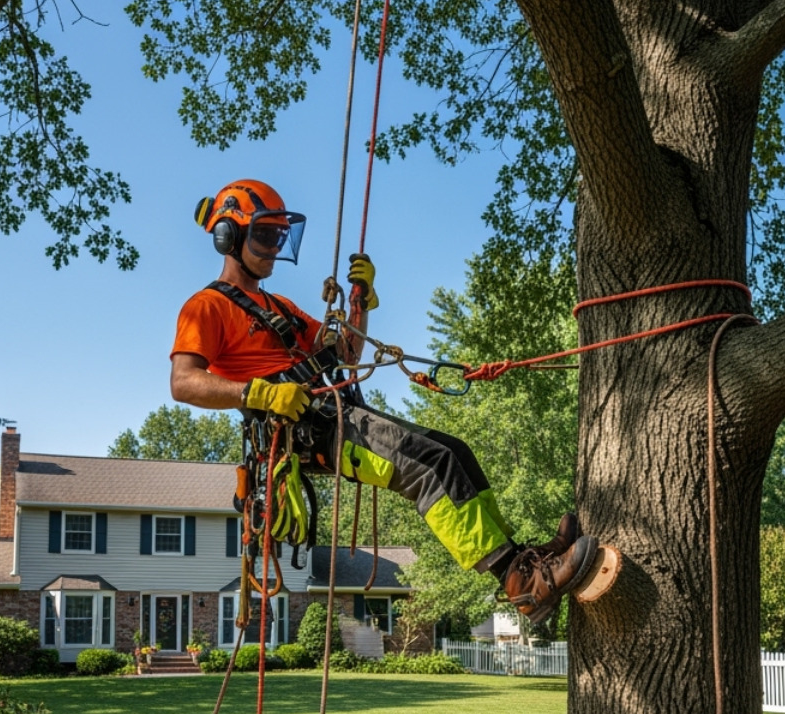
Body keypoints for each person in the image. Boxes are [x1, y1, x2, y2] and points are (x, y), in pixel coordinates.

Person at [168, 178, 595, 624]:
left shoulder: (283, 308)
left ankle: (521, 560)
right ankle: (520, 582)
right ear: (228, 237)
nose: (274, 247)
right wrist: (257, 392)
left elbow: (347, 353)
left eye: (279, 235)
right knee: (430, 468)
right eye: (263, 235)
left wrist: (360, 302)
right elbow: (183, 382)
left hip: (334, 411)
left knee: (454, 453)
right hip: (305, 432)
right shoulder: (206, 307)